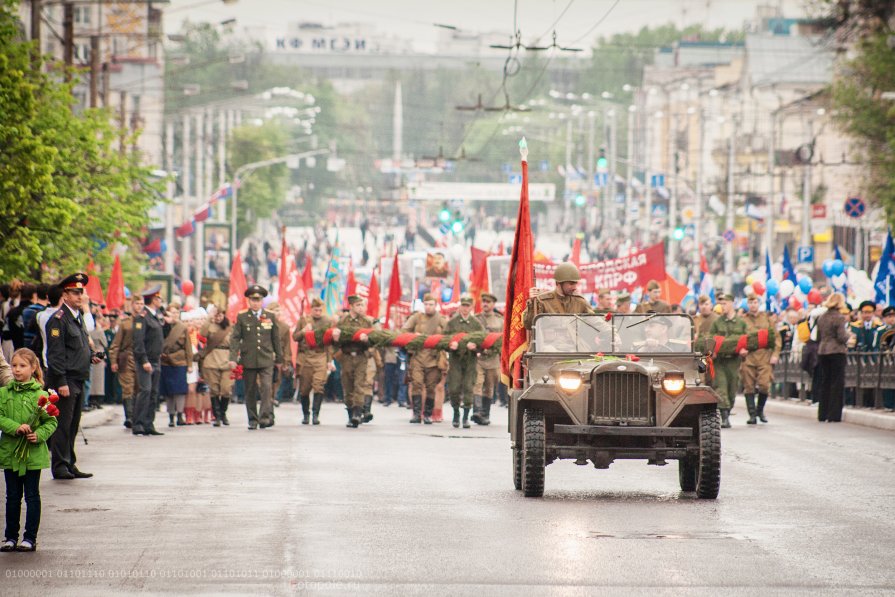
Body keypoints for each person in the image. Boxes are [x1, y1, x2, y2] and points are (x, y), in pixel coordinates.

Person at [0, 349, 58, 552]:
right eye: (14, 365)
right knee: (12, 496)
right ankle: (10, 537)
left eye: (22, 366)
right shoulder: (3, 393)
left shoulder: (41, 395)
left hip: (32, 454)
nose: (17, 370)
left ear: (33, 368)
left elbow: (51, 422)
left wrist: (39, 435)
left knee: (32, 495)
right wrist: (14, 427)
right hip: (10, 452)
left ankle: (30, 537)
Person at [45, 273, 94, 478]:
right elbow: (55, 355)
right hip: (67, 380)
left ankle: (70, 462)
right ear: (64, 295)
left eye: (81, 292)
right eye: (75, 292)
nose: (79, 296)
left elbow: (77, 349)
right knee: (63, 426)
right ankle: (59, 466)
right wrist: (62, 381)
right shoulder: (58, 320)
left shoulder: (77, 317)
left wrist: (92, 357)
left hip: (79, 377)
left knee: (73, 425)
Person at [229, 285, 282, 430]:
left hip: (266, 358)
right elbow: (235, 338)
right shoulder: (242, 316)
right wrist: (233, 358)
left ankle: (264, 417)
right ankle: (252, 419)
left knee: (266, 388)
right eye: (253, 299)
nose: (256, 303)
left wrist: (280, 359)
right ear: (248, 300)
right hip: (249, 359)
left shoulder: (270, 316)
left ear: (262, 301)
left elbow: (275, 338)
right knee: (250, 390)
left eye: (258, 300)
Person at [402, 294, 447, 424]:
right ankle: (416, 414)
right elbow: (404, 331)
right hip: (417, 357)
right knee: (416, 384)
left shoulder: (441, 319)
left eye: (431, 304)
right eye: (426, 304)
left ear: (436, 305)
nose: (428, 307)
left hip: (434, 358)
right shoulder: (417, 317)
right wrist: (413, 336)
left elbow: (450, 334)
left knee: (431, 387)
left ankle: (427, 414)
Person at [292, 297, 335, 425]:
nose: (318, 312)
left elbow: (329, 343)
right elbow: (295, 337)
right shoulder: (304, 320)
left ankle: (316, 415)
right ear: (311, 309)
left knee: (319, 386)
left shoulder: (328, 321)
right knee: (304, 389)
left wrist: (329, 360)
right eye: (315, 310)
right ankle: (306, 414)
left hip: (320, 355)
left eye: (320, 310)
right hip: (306, 357)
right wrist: (304, 330)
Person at [708, 293, 748, 428]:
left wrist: (744, 350)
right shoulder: (717, 323)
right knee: (721, 387)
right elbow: (710, 338)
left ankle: (727, 410)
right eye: (721, 303)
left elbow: (747, 340)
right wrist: (711, 351)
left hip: (734, 361)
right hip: (719, 361)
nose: (722, 306)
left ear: (731, 304)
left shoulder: (741, 323)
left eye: (724, 303)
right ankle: (724, 417)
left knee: (732, 389)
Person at [444, 296, 484, 429]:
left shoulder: (476, 323)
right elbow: (443, 340)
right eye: (464, 306)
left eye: (468, 306)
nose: (465, 308)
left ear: (471, 307)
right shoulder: (452, 322)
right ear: (460, 306)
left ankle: (465, 417)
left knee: (468, 387)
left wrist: (476, 346)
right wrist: (450, 344)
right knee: (454, 387)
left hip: (470, 359)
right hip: (455, 359)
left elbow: (483, 340)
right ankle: (456, 413)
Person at [131, 285, 165, 436]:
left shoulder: (155, 316)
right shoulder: (142, 317)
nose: (160, 300)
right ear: (152, 299)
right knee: (145, 391)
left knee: (153, 393)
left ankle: (148, 423)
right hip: (146, 361)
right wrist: (144, 360)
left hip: (156, 360)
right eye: (158, 298)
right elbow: (138, 342)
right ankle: (137, 423)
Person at [741, 296, 780, 424]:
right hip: (748, 358)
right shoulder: (743, 320)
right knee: (749, 387)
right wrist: (740, 349)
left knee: (764, 385)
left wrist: (775, 354)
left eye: (755, 302)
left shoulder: (767, 318)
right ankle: (752, 415)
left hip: (764, 357)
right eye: (750, 302)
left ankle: (760, 411)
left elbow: (776, 337)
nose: (753, 305)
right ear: (747, 304)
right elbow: (738, 337)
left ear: (759, 303)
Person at [335, 296, 374, 428]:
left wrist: (366, 340)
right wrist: (337, 337)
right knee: (347, 387)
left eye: (362, 305)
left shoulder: (366, 322)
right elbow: (337, 342)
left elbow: (373, 341)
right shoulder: (343, 321)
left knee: (359, 385)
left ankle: (357, 414)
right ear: (351, 306)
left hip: (360, 356)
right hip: (346, 356)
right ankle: (350, 414)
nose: (361, 308)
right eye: (358, 305)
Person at [523, 262, 592, 330]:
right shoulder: (542, 301)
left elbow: (596, 323)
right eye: (571, 283)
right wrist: (532, 304)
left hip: (573, 341)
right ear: (558, 283)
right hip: (549, 341)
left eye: (575, 283)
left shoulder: (580, 302)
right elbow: (529, 325)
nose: (575, 287)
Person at [816, 293, 851, 422]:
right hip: (836, 351)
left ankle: (822, 413)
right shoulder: (839, 317)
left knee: (825, 382)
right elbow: (841, 336)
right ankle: (834, 415)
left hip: (823, 350)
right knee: (837, 383)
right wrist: (849, 336)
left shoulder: (822, 317)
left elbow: (820, 334)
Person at [159, 302, 192, 428]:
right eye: (172, 312)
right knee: (168, 391)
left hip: (180, 361)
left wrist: (189, 364)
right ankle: (171, 415)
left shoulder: (182, 327)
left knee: (180, 390)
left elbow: (187, 347)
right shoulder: (163, 326)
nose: (175, 315)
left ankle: (179, 414)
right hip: (166, 360)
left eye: (177, 312)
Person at [199, 305, 232, 427]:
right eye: (216, 315)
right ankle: (217, 416)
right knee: (214, 389)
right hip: (212, 358)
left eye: (220, 315)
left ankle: (223, 413)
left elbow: (236, 342)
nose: (218, 317)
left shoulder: (230, 327)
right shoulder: (210, 326)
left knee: (226, 389)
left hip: (227, 359)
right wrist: (209, 318)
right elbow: (202, 334)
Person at [472, 292, 502, 426]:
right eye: (483, 301)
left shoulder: (499, 320)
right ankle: (477, 411)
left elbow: (503, 339)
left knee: (489, 387)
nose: (485, 304)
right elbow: (471, 335)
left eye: (488, 302)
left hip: (493, 358)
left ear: (493, 304)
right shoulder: (476, 319)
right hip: (478, 356)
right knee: (477, 383)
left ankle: (485, 414)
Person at [109, 296, 139, 429]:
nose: (139, 306)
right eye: (137, 303)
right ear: (132, 305)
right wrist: (113, 360)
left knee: (139, 389)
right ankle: (130, 417)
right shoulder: (125, 323)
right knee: (128, 388)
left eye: (142, 303)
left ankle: (137, 416)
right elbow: (116, 344)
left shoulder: (146, 321)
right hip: (126, 360)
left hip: (141, 360)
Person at [849, 300, 881, 408]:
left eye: (869, 312)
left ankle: (872, 403)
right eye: (864, 312)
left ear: (873, 313)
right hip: (859, 358)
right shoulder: (854, 327)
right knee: (858, 382)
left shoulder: (878, 326)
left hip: (873, 359)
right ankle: (858, 403)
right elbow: (852, 343)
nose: (866, 315)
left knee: (873, 382)